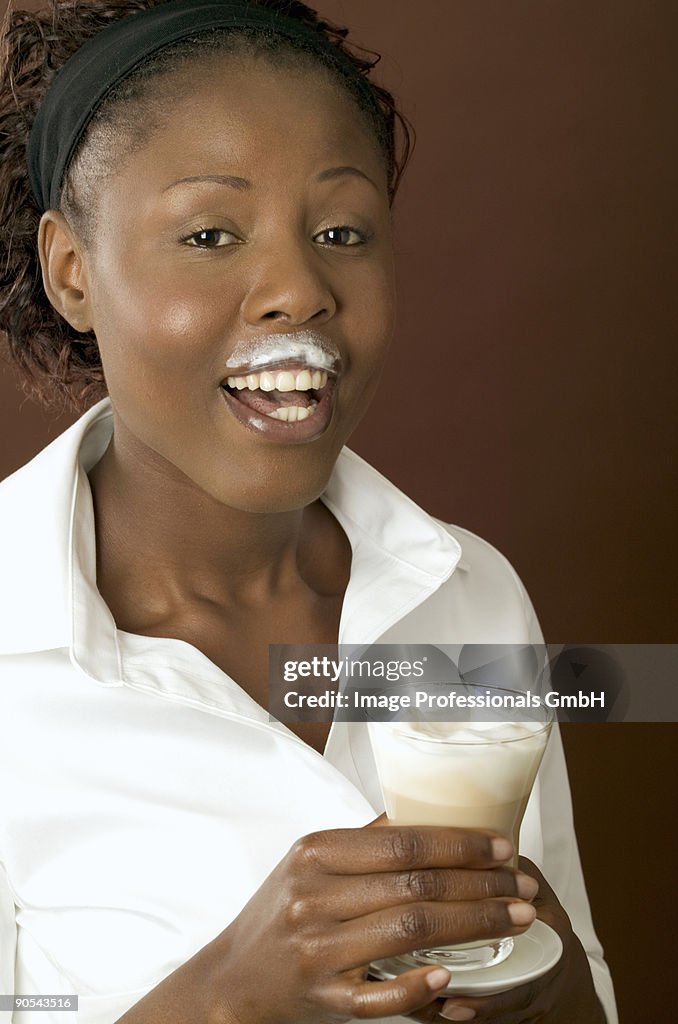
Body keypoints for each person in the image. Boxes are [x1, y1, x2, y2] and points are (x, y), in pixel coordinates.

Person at [0, 1, 617, 1022]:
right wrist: (219, 1004)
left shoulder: (468, 596)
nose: (298, 287)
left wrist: (542, 974)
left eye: (340, 230)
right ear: (74, 271)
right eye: (208, 233)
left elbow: (581, 991)